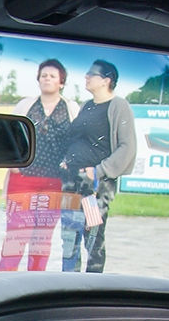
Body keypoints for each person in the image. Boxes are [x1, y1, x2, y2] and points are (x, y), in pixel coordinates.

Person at [57, 59, 137, 272]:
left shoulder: (118, 106)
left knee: (92, 233)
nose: (86, 77)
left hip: (92, 186)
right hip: (71, 181)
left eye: (91, 74)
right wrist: (66, 160)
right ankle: (69, 283)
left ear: (106, 80)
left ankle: (91, 284)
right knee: (68, 234)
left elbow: (127, 146)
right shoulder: (87, 105)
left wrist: (99, 171)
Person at [0, 59, 76, 271]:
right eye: (43, 75)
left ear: (61, 82)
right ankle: (4, 278)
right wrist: (11, 162)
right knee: (16, 233)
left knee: (42, 237)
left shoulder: (70, 108)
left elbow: (77, 141)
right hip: (23, 179)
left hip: (54, 181)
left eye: (52, 76)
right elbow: (8, 134)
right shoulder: (26, 105)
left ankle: (35, 279)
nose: (47, 79)